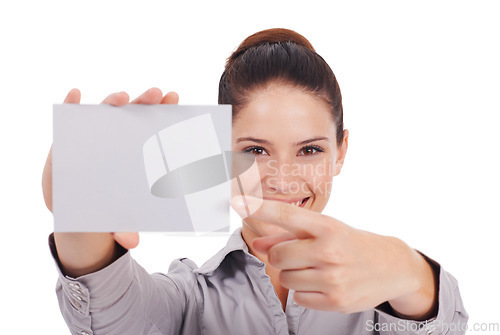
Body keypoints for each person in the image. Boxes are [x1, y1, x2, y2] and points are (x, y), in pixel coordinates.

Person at [42, 28, 468, 335]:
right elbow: (115, 316)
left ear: (341, 152)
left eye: (310, 149)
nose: (282, 177)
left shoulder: (382, 296)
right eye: (256, 151)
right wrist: (80, 210)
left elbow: (444, 323)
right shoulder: (190, 300)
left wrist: (405, 267)